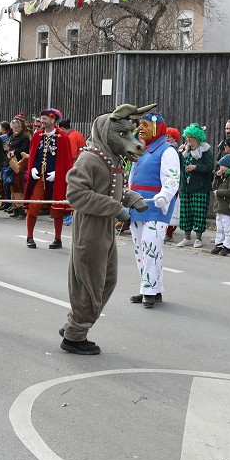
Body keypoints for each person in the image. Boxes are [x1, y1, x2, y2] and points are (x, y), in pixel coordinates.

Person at [59, 104, 149, 354]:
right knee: (89, 282)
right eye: (122, 135)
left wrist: (130, 198)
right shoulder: (89, 158)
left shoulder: (111, 159)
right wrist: (114, 207)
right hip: (90, 227)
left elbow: (109, 189)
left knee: (107, 279)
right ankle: (75, 335)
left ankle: (74, 324)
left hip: (105, 226)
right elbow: (75, 195)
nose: (131, 140)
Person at [127, 111, 180, 307]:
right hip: (137, 205)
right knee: (140, 249)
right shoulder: (140, 149)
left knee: (151, 247)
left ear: (157, 128)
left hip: (156, 207)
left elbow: (172, 179)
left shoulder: (168, 151)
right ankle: (151, 288)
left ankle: (149, 289)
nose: (140, 128)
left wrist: (164, 196)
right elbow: (132, 176)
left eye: (145, 125)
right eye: (140, 124)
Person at [25, 108, 74, 249]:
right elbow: (33, 153)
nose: (42, 121)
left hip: (55, 178)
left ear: (53, 120)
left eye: (44, 119)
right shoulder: (37, 135)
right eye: (41, 119)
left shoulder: (62, 137)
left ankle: (58, 239)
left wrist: (58, 174)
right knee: (34, 205)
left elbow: (66, 160)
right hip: (39, 176)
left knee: (57, 208)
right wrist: (33, 168)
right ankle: (29, 237)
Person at [177, 123, 214, 248]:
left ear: (197, 138)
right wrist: (179, 152)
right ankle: (187, 237)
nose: (188, 140)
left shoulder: (205, 150)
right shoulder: (185, 151)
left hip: (200, 187)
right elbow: (178, 166)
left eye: (191, 138)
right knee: (185, 212)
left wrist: (196, 167)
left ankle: (198, 238)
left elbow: (210, 166)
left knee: (199, 213)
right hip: (185, 187)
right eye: (187, 137)